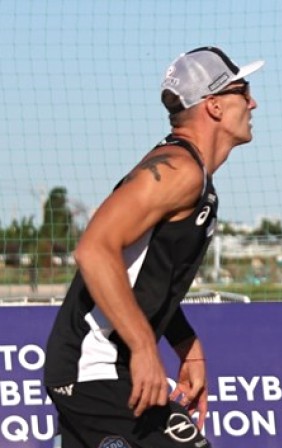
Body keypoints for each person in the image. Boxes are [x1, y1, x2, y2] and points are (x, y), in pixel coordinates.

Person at [43, 46, 264, 447]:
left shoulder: (191, 175)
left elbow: (144, 280)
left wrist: (186, 345)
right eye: (243, 90)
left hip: (105, 367)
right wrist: (145, 346)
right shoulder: (177, 171)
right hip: (96, 367)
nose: (253, 102)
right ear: (213, 105)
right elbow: (94, 250)